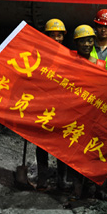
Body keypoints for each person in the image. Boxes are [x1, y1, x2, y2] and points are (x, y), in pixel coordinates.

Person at [72, 24, 107, 200]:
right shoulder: (69, 62)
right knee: (76, 154)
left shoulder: (101, 65)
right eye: (82, 41)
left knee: (97, 154)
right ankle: (77, 189)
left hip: (95, 117)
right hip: (76, 116)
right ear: (76, 43)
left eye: (89, 41)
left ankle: (99, 188)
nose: (86, 44)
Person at [36, 19, 71, 192]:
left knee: (61, 145)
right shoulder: (39, 56)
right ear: (46, 36)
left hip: (62, 107)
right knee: (41, 143)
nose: (56, 38)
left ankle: (61, 180)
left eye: (59, 35)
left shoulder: (69, 56)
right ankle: (42, 179)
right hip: (43, 106)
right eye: (53, 35)